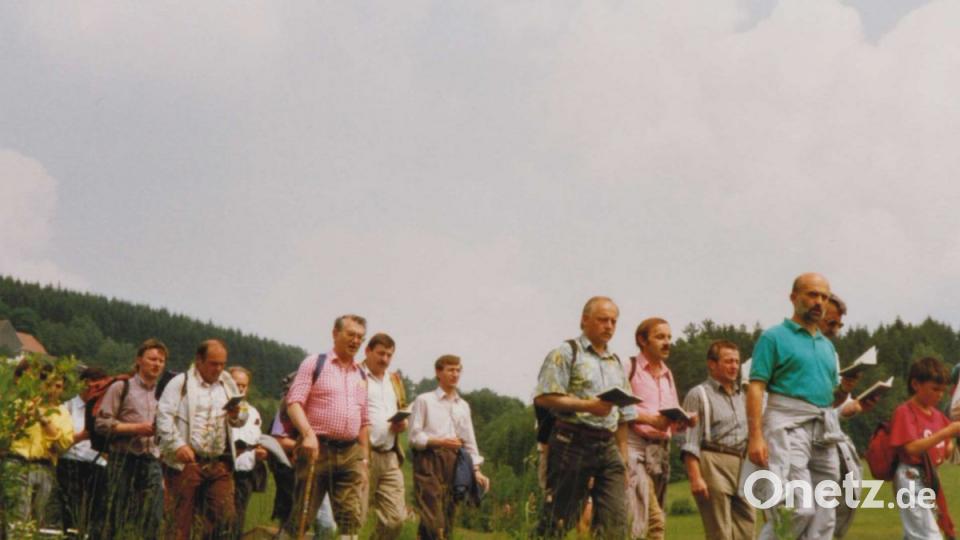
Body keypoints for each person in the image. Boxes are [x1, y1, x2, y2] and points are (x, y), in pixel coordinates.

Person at [534, 296, 669, 539]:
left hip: (608, 446)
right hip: (571, 441)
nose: (609, 326)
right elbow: (544, 397)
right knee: (559, 518)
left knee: (616, 521)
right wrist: (588, 405)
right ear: (584, 320)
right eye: (602, 320)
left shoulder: (615, 361)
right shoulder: (566, 352)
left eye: (614, 322)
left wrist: (623, 458)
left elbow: (623, 416)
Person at [744, 272, 844, 539]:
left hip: (822, 430)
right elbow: (756, 387)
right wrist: (756, 436)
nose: (819, 302)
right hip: (787, 426)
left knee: (825, 511)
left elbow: (829, 395)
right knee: (797, 507)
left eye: (824, 296)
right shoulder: (774, 337)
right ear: (794, 297)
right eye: (812, 294)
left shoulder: (827, 348)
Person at [279, 315, 371, 540]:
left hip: (350, 453)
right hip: (316, 449)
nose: (355, 341)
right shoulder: (315, 363)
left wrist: (365, 458)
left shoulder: (361, 374)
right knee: (303, 513)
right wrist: (308, 435)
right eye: (351, 334)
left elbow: (365, 419)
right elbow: (294, 403)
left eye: (360, 337)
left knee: (350, 517)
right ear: (335, 334)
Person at [156, 339, 248, 540]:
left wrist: (235, 415)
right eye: (213, 363)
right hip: (187, 462)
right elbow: (163, 416)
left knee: (225, 519)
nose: (218, 368)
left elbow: (241, 417)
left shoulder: (227, 383)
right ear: (199, 360)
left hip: (218, 463)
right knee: (179, 523)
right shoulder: (180, 382)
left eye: (222, 364)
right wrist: (177, 444)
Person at [626, 317, 693, 540]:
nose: (667, 342)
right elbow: (615, 410)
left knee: (654, 518)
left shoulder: (667, 374)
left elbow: (669, 413)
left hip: (661, 452)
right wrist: (650, 420)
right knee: (650, 519)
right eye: (660, 337)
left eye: (669, 337)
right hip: (635, 447)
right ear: (642, 340)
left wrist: (683, 421)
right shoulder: (630, 368)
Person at [409, 354, 490, 540]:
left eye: (458, 370)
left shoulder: (463, 406)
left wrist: (476, 470)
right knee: (433, 520)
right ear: (439, 372)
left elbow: (469, 441)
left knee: (448, 518)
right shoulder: (424, 400)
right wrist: (439, 441)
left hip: (455, 463)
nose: (455, 374)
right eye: (450, 369)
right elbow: (414, 436)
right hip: (429, 460)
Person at [681, 340, 754, 540]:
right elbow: (690, 441)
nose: (734, 367)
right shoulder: (699, 394)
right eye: (728, 361)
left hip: (743, 462)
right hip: (713, 459)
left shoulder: (743, 395)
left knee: (747, 526)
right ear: (712, 364)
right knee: (720, 531)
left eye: (737, 362)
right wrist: (696, 478)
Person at [96, 338, 168, 539]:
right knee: (114, 515)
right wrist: (136, 428)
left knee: (153, 515)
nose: (157, 364)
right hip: (123, 458)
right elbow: (102, 424)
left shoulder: (164, 394)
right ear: (139, 360)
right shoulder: (121, 387)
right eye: (152, 359)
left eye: (161, 361)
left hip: (151, 459)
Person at [889, 357, 960, 540]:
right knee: (928, 535)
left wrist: (951, 439)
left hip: (930, 477)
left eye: (943, 391)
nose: (939, 395)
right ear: (915, 384)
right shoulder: (905, 411)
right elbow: (911, 448)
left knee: (917, 533)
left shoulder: (937, 416)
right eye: (934, 389)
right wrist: (946, 433)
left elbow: (946, 450)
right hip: (910, 476)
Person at [2, 360, 73, 530]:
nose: (53, 390)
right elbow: (5, 436)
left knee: (37, 518)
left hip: (44, 465)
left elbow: (64, 444)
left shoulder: (62, 413)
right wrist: (21, 419)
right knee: (18, 516)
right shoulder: (22, 404)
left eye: (58, 386)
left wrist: (43, 420)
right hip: (17, 461)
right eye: (50, 384)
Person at [360, 333, 408, 539]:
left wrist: (403, 423)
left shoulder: (394, 380)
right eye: (381, 353)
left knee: (395, 519)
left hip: (390, 455)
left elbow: (402, 407)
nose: (385, 359)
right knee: (355, 517)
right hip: (361, 455)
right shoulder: (354, 375)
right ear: (368, 351)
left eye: (389, 355)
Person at [55, 366, 109, 536]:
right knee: (71, 511)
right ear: (86, 384)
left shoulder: (103, 410)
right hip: (71, 463)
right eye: (98, 387)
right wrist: (83, 435)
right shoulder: (66, 408)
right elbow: (58, 444)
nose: (100, 392)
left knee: (97, 513)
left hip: (97, 464)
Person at [228, 366, 267, 540]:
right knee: (220, 517)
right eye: (237, 384)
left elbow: (256, 439)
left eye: (244, 385)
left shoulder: (252, 412)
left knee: (238, 517)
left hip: (246, 471)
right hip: (225, 469)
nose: (241, 388)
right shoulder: (218, 409)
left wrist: (260, 452)